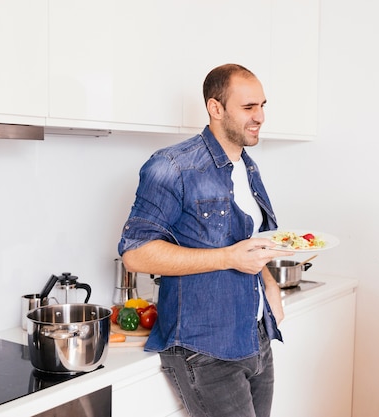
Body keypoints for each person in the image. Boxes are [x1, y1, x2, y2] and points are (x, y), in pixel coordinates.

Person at [118, 63, 292, 417]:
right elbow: (135, 254)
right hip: (205, 350)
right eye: (248, 107)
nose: (260, 116)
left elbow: (249, 241)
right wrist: (228, 258)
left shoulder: (248, 166)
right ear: (215, 108)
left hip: (255, 337)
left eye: (262, 106)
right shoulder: (171, 166)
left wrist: (269, 282)